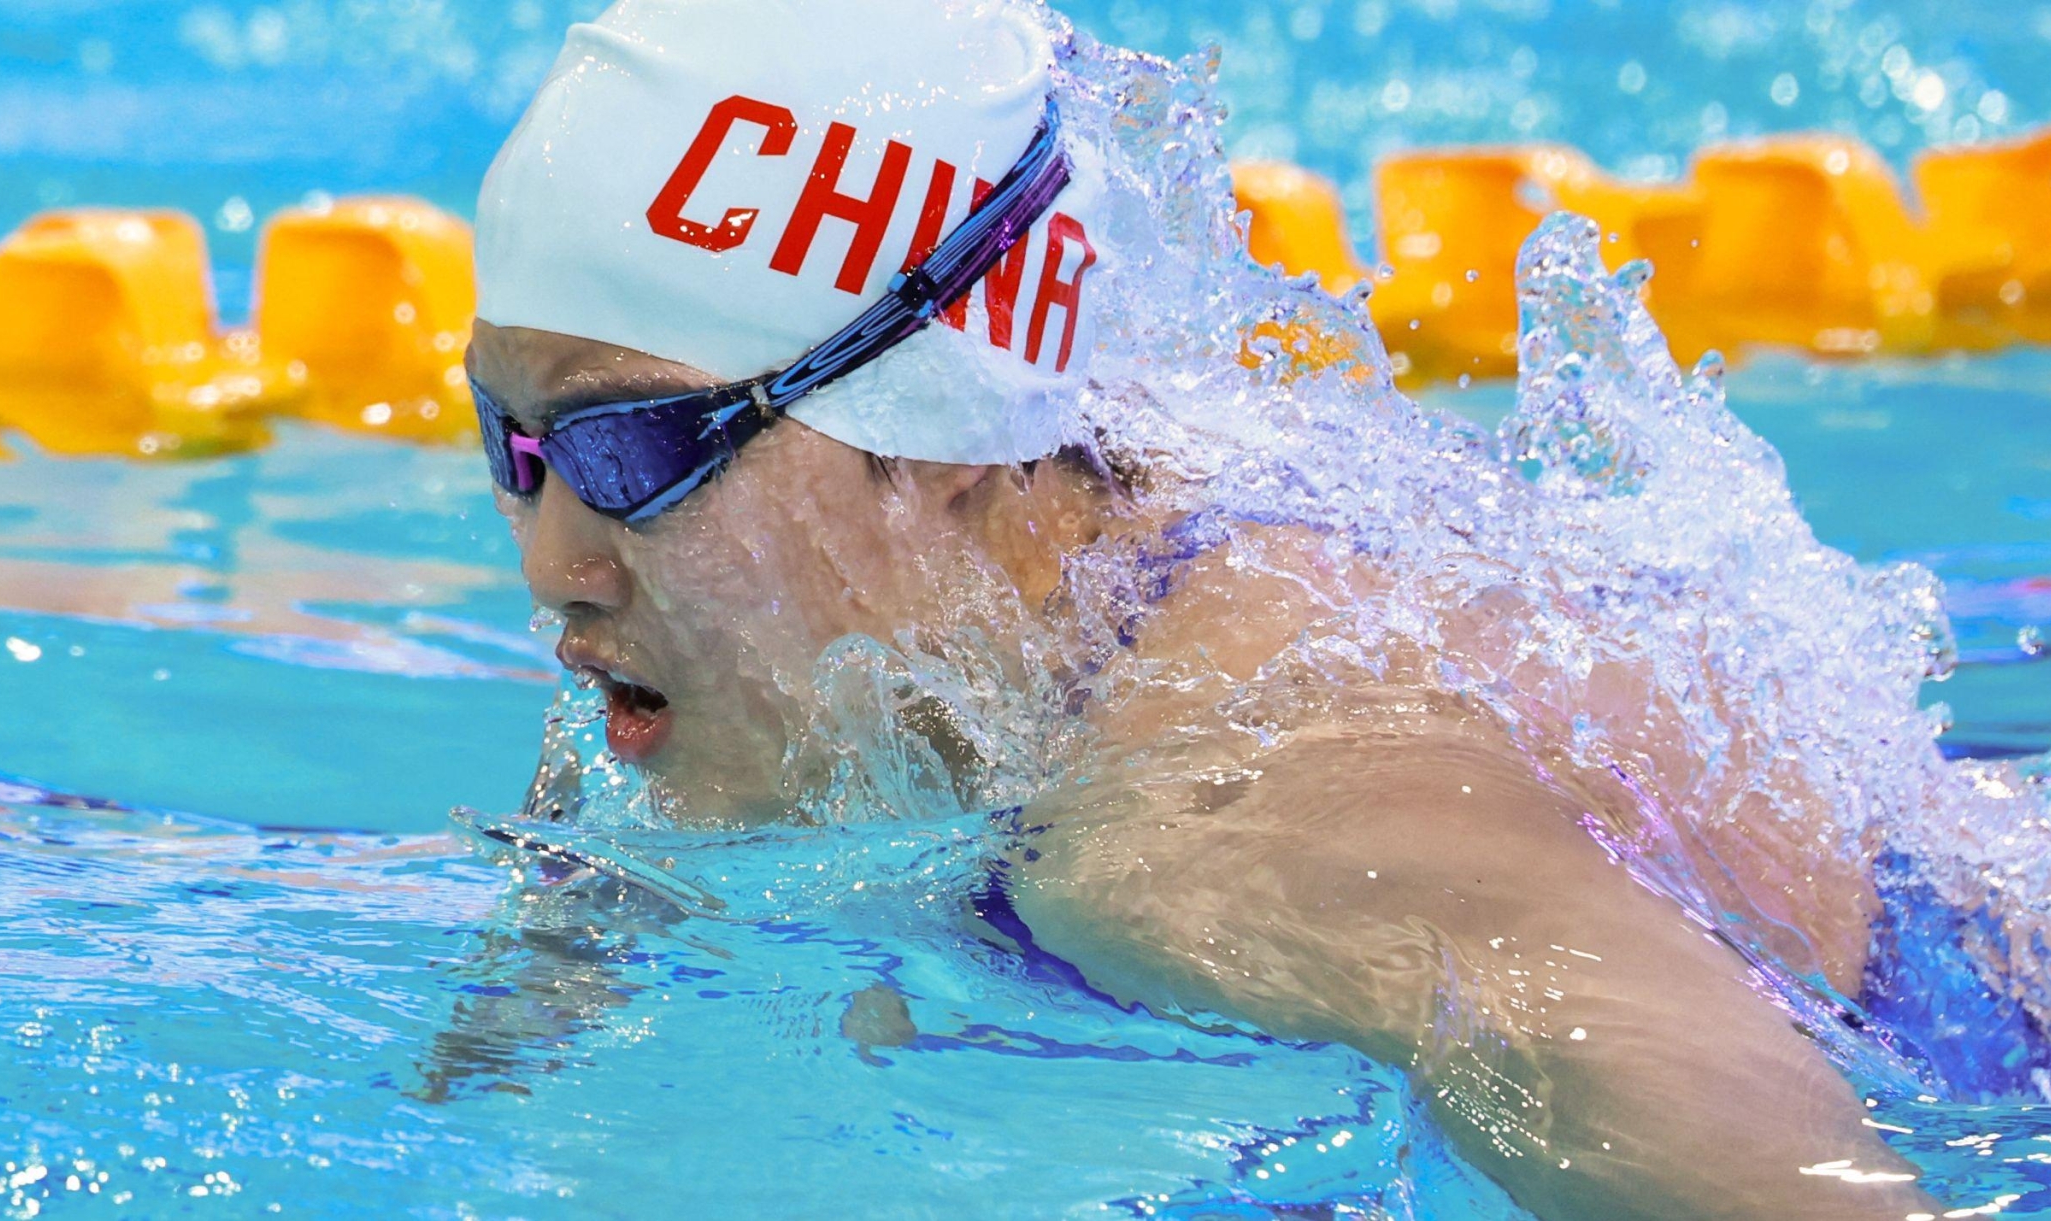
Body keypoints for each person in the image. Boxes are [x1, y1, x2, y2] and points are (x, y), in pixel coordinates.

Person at [467, 1, 1943, 1216]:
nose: (551, 562)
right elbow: (491, 1095)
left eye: (629, 453)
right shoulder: (744, 659)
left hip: (1996, 1068)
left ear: (932, 435)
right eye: (512, 448)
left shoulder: (1237, 824)